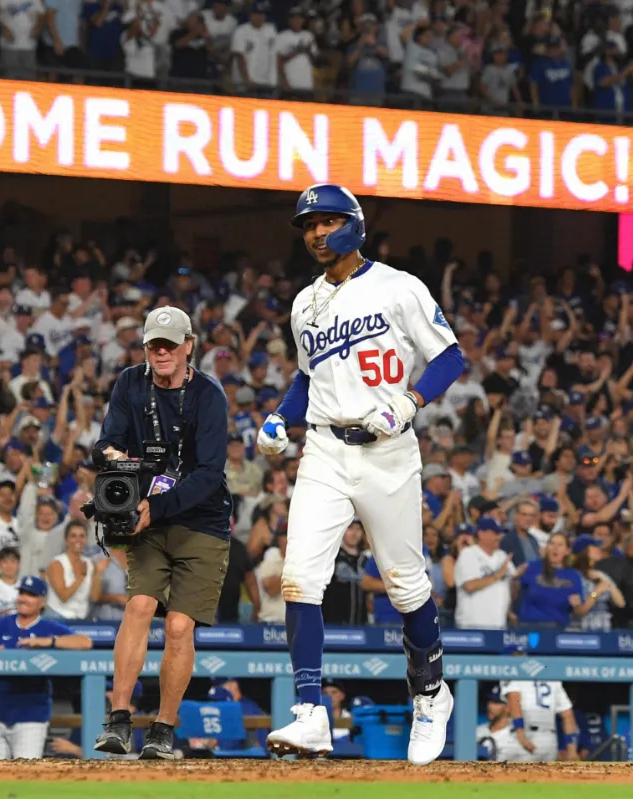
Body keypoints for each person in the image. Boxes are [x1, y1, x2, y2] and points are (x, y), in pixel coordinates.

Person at [256, 184, 463, 765]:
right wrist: (280, 416)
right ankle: (310, 715)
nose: (317, 233)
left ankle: (429, 693)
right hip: (323, 448)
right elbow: (308, 378)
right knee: (298, 577)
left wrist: (412, 401)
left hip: (388, 449)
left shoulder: (399, 286)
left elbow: (450, 356)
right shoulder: (304, 303)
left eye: (327, 221)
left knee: (405, 584)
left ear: (355, 224)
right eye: (308, 225)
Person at [91, 305, 232, 760]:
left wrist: (158, 506)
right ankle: (118, 721)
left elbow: (210, 472)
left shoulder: (209, 395)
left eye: (171, 344)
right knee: (138, 604)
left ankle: (164, 729)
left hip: (201, 521)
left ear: (190, 346)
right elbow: (105, 440)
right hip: (149, 517)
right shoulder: (131, 383)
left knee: (177, 625)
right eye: (155, 344)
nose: (162, 352)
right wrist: (112, 457)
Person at [0, 576, 92, 759]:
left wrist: (48, 641)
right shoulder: (3, 623)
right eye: (22, 593)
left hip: (31, 719)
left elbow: (85, 642)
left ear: (42, 601)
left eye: (31, 595)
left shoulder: (47, 627)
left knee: (25, 777)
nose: (24, 598)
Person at [453, 518, 518, 629]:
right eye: (495, 533)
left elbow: (513, 582)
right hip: (472, 626)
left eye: (500, 533)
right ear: (481, 534)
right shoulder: (469, 554)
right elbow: (469, 585)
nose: (499, 537)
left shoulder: (502, 555)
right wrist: (497, 575)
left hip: (499, 624)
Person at [515, 532, 589, 628]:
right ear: (547, 547)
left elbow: (578, 611)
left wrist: (577, 606)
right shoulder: (532, 567)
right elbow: (516, 592)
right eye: (552, 543)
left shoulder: (573, 576)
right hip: (529, 624)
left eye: (560, 545)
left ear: (567, 551)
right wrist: (515, 578)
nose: (555, 548)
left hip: (557, 626)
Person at [500, 679, 579, 762]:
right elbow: (568, 715)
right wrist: (572, 750)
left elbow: (514, 701)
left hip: (525, 735)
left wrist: (521, 736)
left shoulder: (516, 673)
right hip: (549, 740)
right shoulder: (553, 679)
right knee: (547, 774)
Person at [475, 685, 526, 761]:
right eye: (489, 701)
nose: (489, 706)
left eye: (496, 702)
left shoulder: (516, 737)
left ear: (508, 707)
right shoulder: (477, 731)